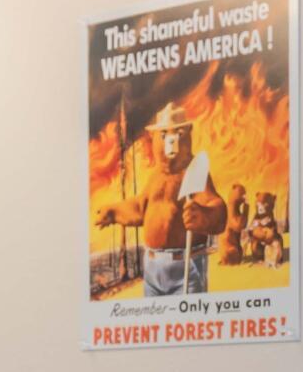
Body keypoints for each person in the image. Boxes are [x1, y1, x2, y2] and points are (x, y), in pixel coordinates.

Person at [93, 104, 228, 296]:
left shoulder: (194, 172)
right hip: (152, 269)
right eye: (164, 135)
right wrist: (113, 212)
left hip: (185, 266)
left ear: (188, 134)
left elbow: (217, 208)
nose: (171, 141)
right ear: (155, 137)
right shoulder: (156, 176)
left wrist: (205, 216)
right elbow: (141, 207)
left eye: (178, 134)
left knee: (186, 313)